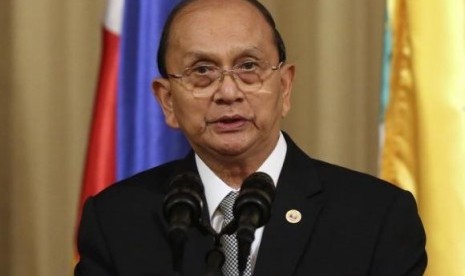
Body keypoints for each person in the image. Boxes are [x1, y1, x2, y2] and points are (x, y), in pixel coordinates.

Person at [75, 0, 427, 275]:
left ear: (285, 86)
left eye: (248, 67)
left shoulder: (375, 217)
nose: (228, 92)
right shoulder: (116, 221)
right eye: (202, 71)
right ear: (167, 101)